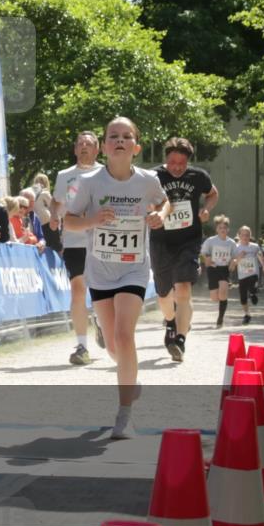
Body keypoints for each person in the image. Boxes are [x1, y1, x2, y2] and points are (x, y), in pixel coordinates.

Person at [64, 117, 168, 439]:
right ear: (105, 145)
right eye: (113, 136)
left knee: (125, 337)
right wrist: (93, 219)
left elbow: (164, 202)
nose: (120, 141)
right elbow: (68, 221)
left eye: (126, 136)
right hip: (100, 271)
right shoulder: (91, 182)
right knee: (112, 345)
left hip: (134, 268)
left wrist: (159, 216)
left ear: (136, 147)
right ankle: (130, 375)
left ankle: (124, 416)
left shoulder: (148, 180)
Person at [148, 137, 218, 363]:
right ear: (165, 159)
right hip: (161, 241)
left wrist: (206, 209)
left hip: (189, 240)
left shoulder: (198, 176)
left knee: (183, 288)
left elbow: (213, 193)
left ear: (188, 161)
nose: (177, 167)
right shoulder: (154, 176)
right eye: (172, 162)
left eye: (181, 162)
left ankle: (180, 339)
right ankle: (170, 321)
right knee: (163, 294)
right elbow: (142, 199)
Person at [52, 131, 103, 365]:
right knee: (77, 288)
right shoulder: (65, 176)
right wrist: (54, 215)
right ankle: (82, 345)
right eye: (80, 144)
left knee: (101, 290)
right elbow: (57, 200)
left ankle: (102, 323)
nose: (84, 147)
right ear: (74, 149)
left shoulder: (106, 173)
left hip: (101, 238)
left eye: (89, 144)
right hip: (74, 238)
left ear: (97, 149)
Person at [201, 215, 237, 328]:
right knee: (214, 298)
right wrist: (207, 258)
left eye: (224, 228)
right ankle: (219, 300)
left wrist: (233, 262)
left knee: (223, 293)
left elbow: (234, 256)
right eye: (220, 227)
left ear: (228, 229)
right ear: (217, 229)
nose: (222, 229)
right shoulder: (211, 241)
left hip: (224, 269)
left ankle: (220, 318)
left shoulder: (231, 243)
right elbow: (203, 252)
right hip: (213, 268)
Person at [231, 225, 264, 324]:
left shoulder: (254, 246)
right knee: (243, 298)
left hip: (253, 272)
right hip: (242, 275)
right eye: (243, 235)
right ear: (239, 235)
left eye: (247, 235)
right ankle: (247, 314)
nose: (245, 237)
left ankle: (253, 293)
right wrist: (239, 257)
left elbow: (260, 256)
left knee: (252, 285)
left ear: (250, 236)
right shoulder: (236, 247)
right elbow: (233, 263)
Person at [32, 172, 59, 252]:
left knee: (45, 245)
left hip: (37, 222)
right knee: (55, 245)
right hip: (48, 221)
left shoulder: (32, 194)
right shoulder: (45, 193)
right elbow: (53, 207)